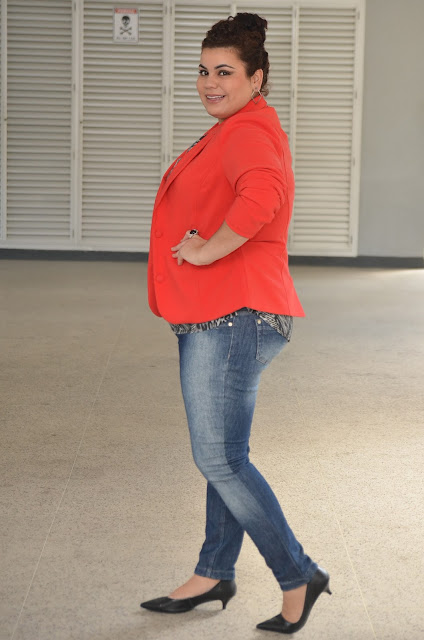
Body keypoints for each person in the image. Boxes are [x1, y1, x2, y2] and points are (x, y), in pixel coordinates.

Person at [141, 12, 331, 635]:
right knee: (225, 453)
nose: (209, 83)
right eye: (203, 71)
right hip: (223, 313)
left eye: (225, 72)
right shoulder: (238, 126)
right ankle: (214, 572)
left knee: (219, 458)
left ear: (257, 77)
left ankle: (298, 574)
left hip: (233, 315)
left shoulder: (247, 131)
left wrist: (207, 249)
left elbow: (263, 196)